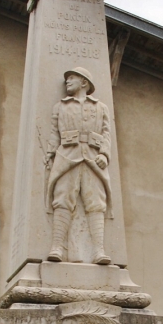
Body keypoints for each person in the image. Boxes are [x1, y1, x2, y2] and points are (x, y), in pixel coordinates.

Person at [45, 67, 112, 264]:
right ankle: (57, 246)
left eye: (72, 78)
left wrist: (105, 155)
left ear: (84, 82)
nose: (68, 81)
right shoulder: (60, 106)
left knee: (96, 203)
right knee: (63, 199)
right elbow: (53, 133)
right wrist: (50, 154)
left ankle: (98, 250)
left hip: (93, 158)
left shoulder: (101, 108)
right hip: (67, 156)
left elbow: (107, 133)